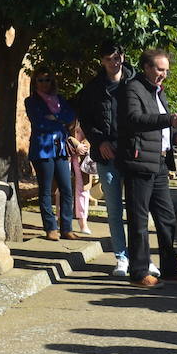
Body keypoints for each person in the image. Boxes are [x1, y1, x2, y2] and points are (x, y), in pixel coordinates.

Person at [118, 48, 177, 286]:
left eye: (166, 70)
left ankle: (170, 268)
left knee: (167, 218)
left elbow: (162, 127)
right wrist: (168, 120)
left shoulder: (158, 92)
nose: (164, 75)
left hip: (159, 162)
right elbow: (134, 120)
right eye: (160, 69)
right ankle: (139, 272)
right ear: (147, 67)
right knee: (139, 221)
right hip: (139, 162)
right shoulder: (132, 89)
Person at [74, 44, 135, 276]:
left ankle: (139, 256)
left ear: (123, 57)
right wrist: (100, 142)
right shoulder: (93, 88)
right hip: (107, 156)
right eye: (109, 59)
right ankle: (121, 257)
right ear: (102, 61)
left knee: (136, 208)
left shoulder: (135, 83)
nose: (114, 62)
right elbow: (86, 121)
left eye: (117, 57)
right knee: (113, 210)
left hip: (132, 155)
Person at [23, 68, 80, 241]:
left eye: (47, 80)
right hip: (42, 150)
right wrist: (58, 120)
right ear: (35, 82)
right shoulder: (31, 101)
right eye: (40, 80)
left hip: (60, 149)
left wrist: (54, 117)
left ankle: (67, 228)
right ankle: (50, 228)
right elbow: (39, 122)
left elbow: (70, 115)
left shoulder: (60, 99)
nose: (44, 83)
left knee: (66, 189)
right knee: (46, 190)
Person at [66, 120, 93, 235]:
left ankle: (83, 222)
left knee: (83, 190)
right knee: (62, 188)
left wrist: (85, 145)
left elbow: (93, 133)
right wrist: (75, 144)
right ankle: (60, 219)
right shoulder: (67, 110)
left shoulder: (89, 113)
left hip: (83, 157)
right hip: (65, 153)